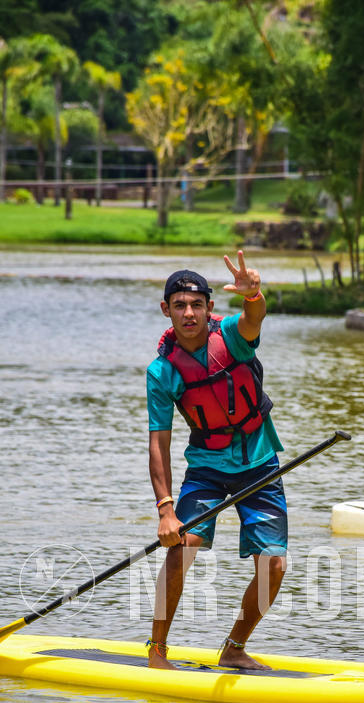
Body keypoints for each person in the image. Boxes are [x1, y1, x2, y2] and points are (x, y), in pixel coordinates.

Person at [146, 250, 287, 670]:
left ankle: (234, 648)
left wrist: (254, 294)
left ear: (210, 306)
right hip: (206, 469)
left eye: (196, 304)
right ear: (166, 310)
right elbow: (158, 443)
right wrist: (165, 510)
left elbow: (254, 317)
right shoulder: (161, 372)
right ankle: (157, 651)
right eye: (179, 306)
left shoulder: (232, 336)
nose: (188, 314)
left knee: (274, 564)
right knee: (181, 547)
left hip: (259, 464)